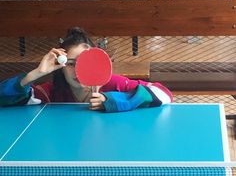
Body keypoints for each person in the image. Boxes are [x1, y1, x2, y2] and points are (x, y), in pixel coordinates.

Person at [0, 27, 173, 112]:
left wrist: (114, 100)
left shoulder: (113, 84)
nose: (77, 71)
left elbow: (164, 93)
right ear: (61, 67)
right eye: (71, 64)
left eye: (84, 63)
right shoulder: (51, 92)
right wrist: (36, 73)